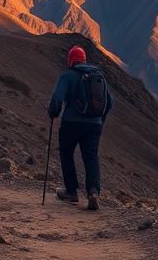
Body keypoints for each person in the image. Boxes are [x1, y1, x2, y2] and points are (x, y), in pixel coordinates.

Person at [48, 45, 113, 210]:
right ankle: (93, 192)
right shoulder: (98, 76)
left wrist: (53, 113)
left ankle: (72, 192)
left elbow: (57, 98)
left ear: (70, 60)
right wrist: (100, 120)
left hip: (71, 123)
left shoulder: (67, 75)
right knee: (91, 156)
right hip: (94, 125)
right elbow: (110, 102)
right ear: (84, 60)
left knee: (66, 152)